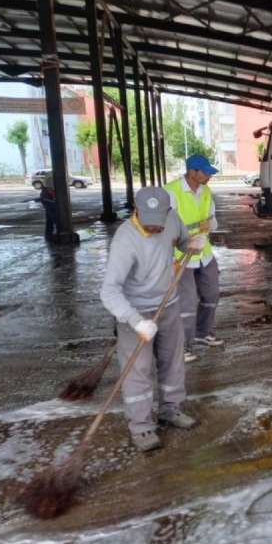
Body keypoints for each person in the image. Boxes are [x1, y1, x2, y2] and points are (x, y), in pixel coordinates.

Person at [100, 186, 206, 451]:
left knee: (173, 360)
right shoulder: (125, 240)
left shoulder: (171, 219)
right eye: (147, 223)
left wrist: (192, 242)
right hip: (134, 310)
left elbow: (182, 241)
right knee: (138, 369)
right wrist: (135, 321)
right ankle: (141, 426)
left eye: (157, 223)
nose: (153, 228)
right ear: (136, 209)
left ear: (167, 212)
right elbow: (109, 290)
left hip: (168, 304)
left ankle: (171, 408)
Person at [165, 153, 223, 363]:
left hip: (204, 253)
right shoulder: (170, 192)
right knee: (186, 302)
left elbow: (213, 219)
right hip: (181, 257)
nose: (209, 176)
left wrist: (211, 224)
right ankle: (181, 347)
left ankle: (202, 332)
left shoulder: (206, 191)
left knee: (211, 294)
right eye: (206, 172)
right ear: (193, 172)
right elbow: (162, 228)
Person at [39, 174, 56, 240]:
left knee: (50, 218)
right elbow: (49, 189)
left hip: (47, 199)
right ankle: (60, 232)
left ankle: (48, 234)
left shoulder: (51, 176)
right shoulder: (51, 178)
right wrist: (57, 197)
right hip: (49, 200)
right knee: (55, 217)